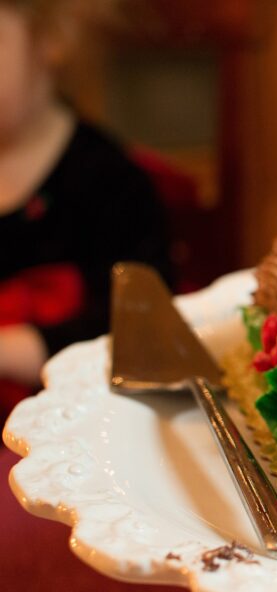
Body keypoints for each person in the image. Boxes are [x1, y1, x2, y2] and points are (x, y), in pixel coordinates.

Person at [0, 0, 172, 415]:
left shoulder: (109, 183)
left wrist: (13, 349)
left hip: (71, 427)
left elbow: (142, 331)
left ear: (50, 39)